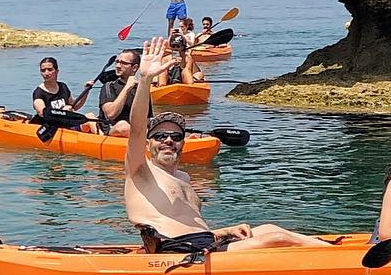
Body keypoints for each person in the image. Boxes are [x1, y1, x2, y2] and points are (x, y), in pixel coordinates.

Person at [125, 37, 328, 252]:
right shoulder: (141, 171)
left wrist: (225, 231)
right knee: (276, 239)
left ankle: (334, 250)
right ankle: (344, 260)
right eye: (160, 136)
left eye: (175, 137)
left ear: (182, 143)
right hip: (175, 251)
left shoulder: (183, 177)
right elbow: (137, 130)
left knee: (269, 228)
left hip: (202, 243)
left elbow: (189, 227)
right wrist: (145, 79)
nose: (168, 140)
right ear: (149, 143)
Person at [95, 47, 142, 137]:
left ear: (134, 68)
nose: (118, 66)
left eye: (123, 63)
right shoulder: (109, 86)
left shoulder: (141, 89)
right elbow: (111, 114)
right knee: (123, 126)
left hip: (134, 130)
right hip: (112, 129)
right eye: (117, 62)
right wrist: (127, 88)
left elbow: (146, 118)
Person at [32, 56, 93, 122]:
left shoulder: (63, 86)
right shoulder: (38, 93)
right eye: (43, 70)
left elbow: (74, 107)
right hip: (50, 127)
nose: (46, 73)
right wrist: (62, 112)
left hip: (66, 123)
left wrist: (86, 92)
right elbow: (42, 113)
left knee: (90, 115)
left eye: (49, 69)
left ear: (57, 71)